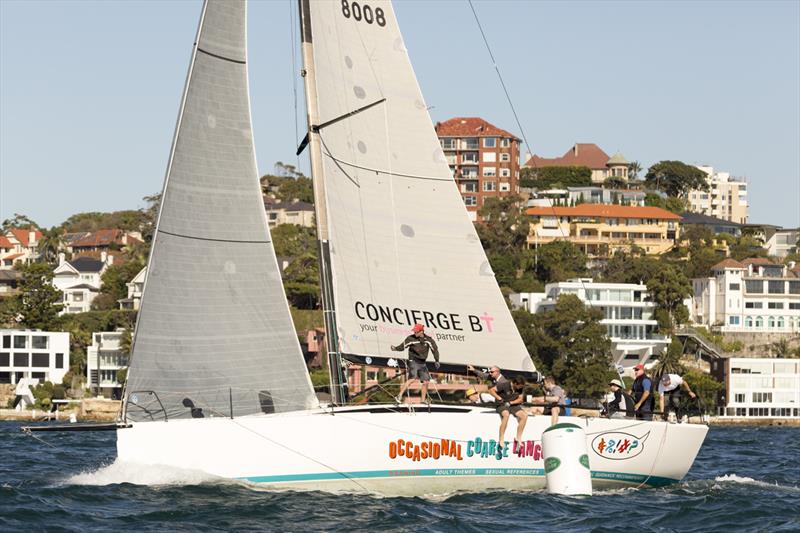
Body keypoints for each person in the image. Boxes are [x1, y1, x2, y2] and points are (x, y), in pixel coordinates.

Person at [468, 365, 528, 444]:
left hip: (506, 402)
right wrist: (474, 370)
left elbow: (519, 398)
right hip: (501, 401)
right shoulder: (493, 377)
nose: (490, 373)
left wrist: (503, 401)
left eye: (492, 372)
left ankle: (518, 437)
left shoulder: (503, 382)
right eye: (490, 371)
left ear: (497, 372)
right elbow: (484, 376)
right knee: (505, 413)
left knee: (523, 415)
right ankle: (501, 438)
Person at [391, 323, 439, 403]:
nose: (415, 333)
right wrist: (395, 348)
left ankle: (423, 401)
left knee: (426, 381)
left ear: (421, 331)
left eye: (416, 331)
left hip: (422, 362)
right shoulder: (411, 339)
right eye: (414, 331)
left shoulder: (428, 340)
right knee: (412, 378)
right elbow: (402, 346)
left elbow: (435, 349)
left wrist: (436, 360)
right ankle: (399, 396)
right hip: (413, 361)